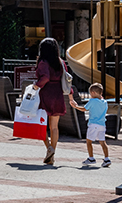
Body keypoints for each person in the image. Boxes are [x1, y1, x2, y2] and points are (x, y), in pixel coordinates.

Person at [34, 37, 69, 165]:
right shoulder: (60, 61)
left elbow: (45, 78)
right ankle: (52, 152)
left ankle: (49, 148)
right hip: (58, 94)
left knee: (41, 125)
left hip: (46, 93)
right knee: (54, 127)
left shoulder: (43, 62)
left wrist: (36, 85)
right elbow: (65, 77)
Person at [71, 83, 112, 167]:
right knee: (103, 142)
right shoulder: (104, 102)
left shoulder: (92, 101)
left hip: (93, 124)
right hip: (102, 125)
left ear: (93, 92)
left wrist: (76, 107)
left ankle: (91, 158)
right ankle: (107, 158)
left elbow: (84, 109)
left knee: (89, 141)